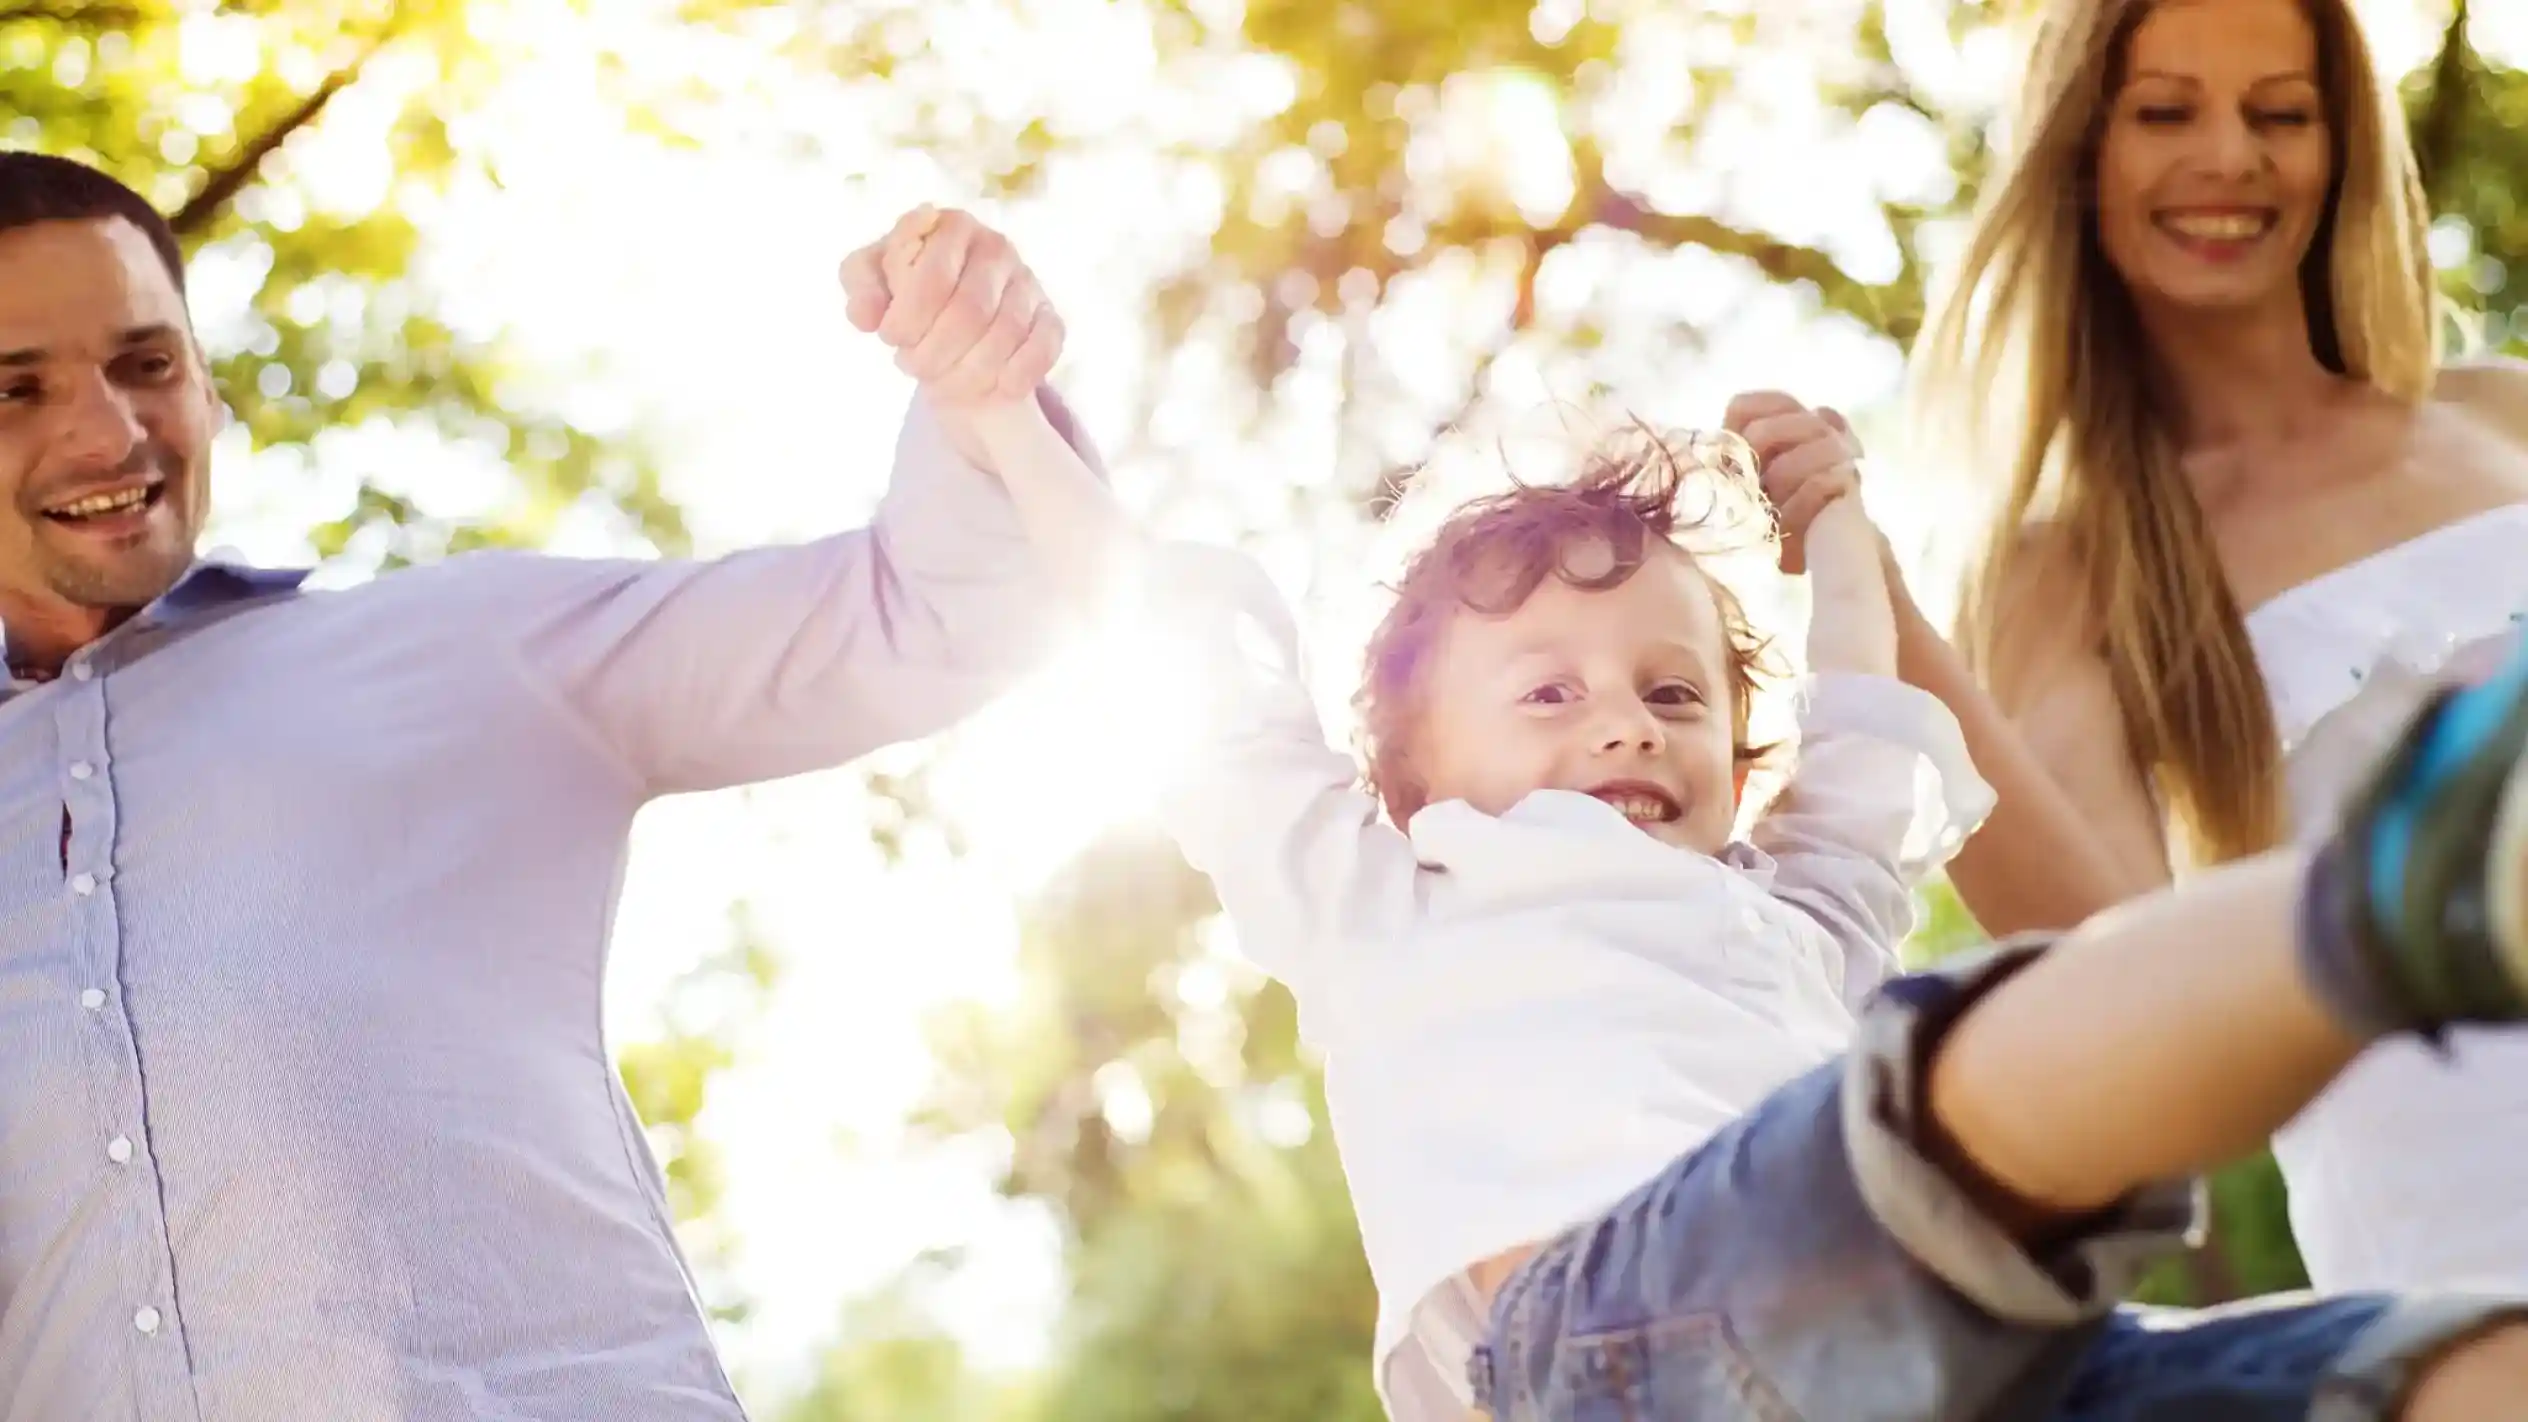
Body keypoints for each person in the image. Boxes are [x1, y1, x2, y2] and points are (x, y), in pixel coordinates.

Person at [903, 212, 2528, 1417]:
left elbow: (1864, 713)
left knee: (2400, 1369)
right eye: (1547, 691)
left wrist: (1831, 521)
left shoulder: (1790, 906)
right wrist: (995, 416)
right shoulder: (1371, 887)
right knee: (1933, 1092)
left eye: (1674, 694)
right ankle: (2423, 883)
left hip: (1943, 1358)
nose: (1624, 713)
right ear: (1394, 772)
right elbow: (1177, 641)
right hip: (1620, 1338)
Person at [0, 151, 1095, 1420]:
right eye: (13, 389)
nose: (106, 432)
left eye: (145, 365)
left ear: (207, 383)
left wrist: (975, 378)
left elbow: (924, 619)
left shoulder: (463, 653)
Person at [1738, 0, 2528, 1296]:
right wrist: (1872, 583)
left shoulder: (2503, 413)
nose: (2231, 156)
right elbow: (2105, 960)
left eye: (2280, 113)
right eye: (2167, 112)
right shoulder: (2065, 572)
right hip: (2473, 1239)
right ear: (2079, 153)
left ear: (2343, 149)